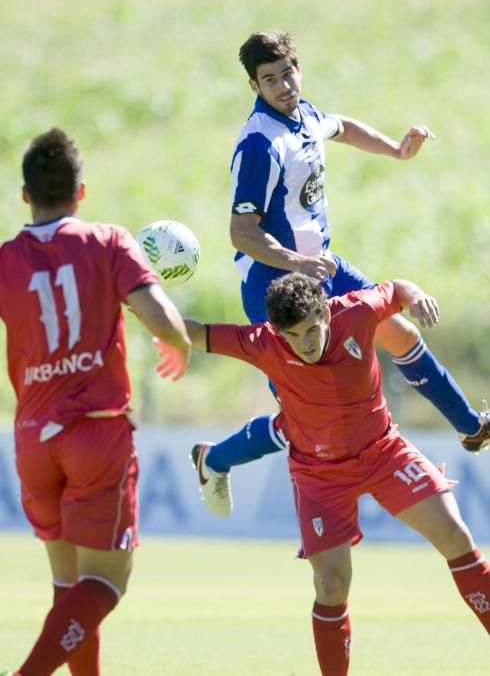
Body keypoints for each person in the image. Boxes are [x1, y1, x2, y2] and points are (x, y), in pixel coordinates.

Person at [190, 30, 489, 516]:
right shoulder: (259, 145)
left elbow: (340, 127)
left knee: (398, 331)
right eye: (270, 80)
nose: (283, 86)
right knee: (303, 419)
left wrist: (396, 149)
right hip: (276, 283)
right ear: (254, 86)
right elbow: (241, 233)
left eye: (288, 73)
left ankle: (471, 427)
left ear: (298, 69)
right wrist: (297, 262)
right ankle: (214, 459)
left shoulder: (305, 114)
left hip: (322, 265)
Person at [155, 273, 490, 675]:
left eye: (313, 329)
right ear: (278, 332)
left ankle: (215, 460)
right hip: (319, 475)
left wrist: (416, 295)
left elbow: (396, 289)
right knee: (332, 585)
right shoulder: (263, 342)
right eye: (294, 336)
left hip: (384, 453)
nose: (307, 343)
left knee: (456, 536)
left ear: (326, 313)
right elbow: (196, 332)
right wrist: (134, 301)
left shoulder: (357, 311)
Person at [0, 129, 191, 676]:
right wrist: (176, 345)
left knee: (70, 586)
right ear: (81, 191)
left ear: (25, 194)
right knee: (106, 582)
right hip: (95, 432)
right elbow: (161, 319)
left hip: (33, 435)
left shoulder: (7, 258)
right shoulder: (107, 241)